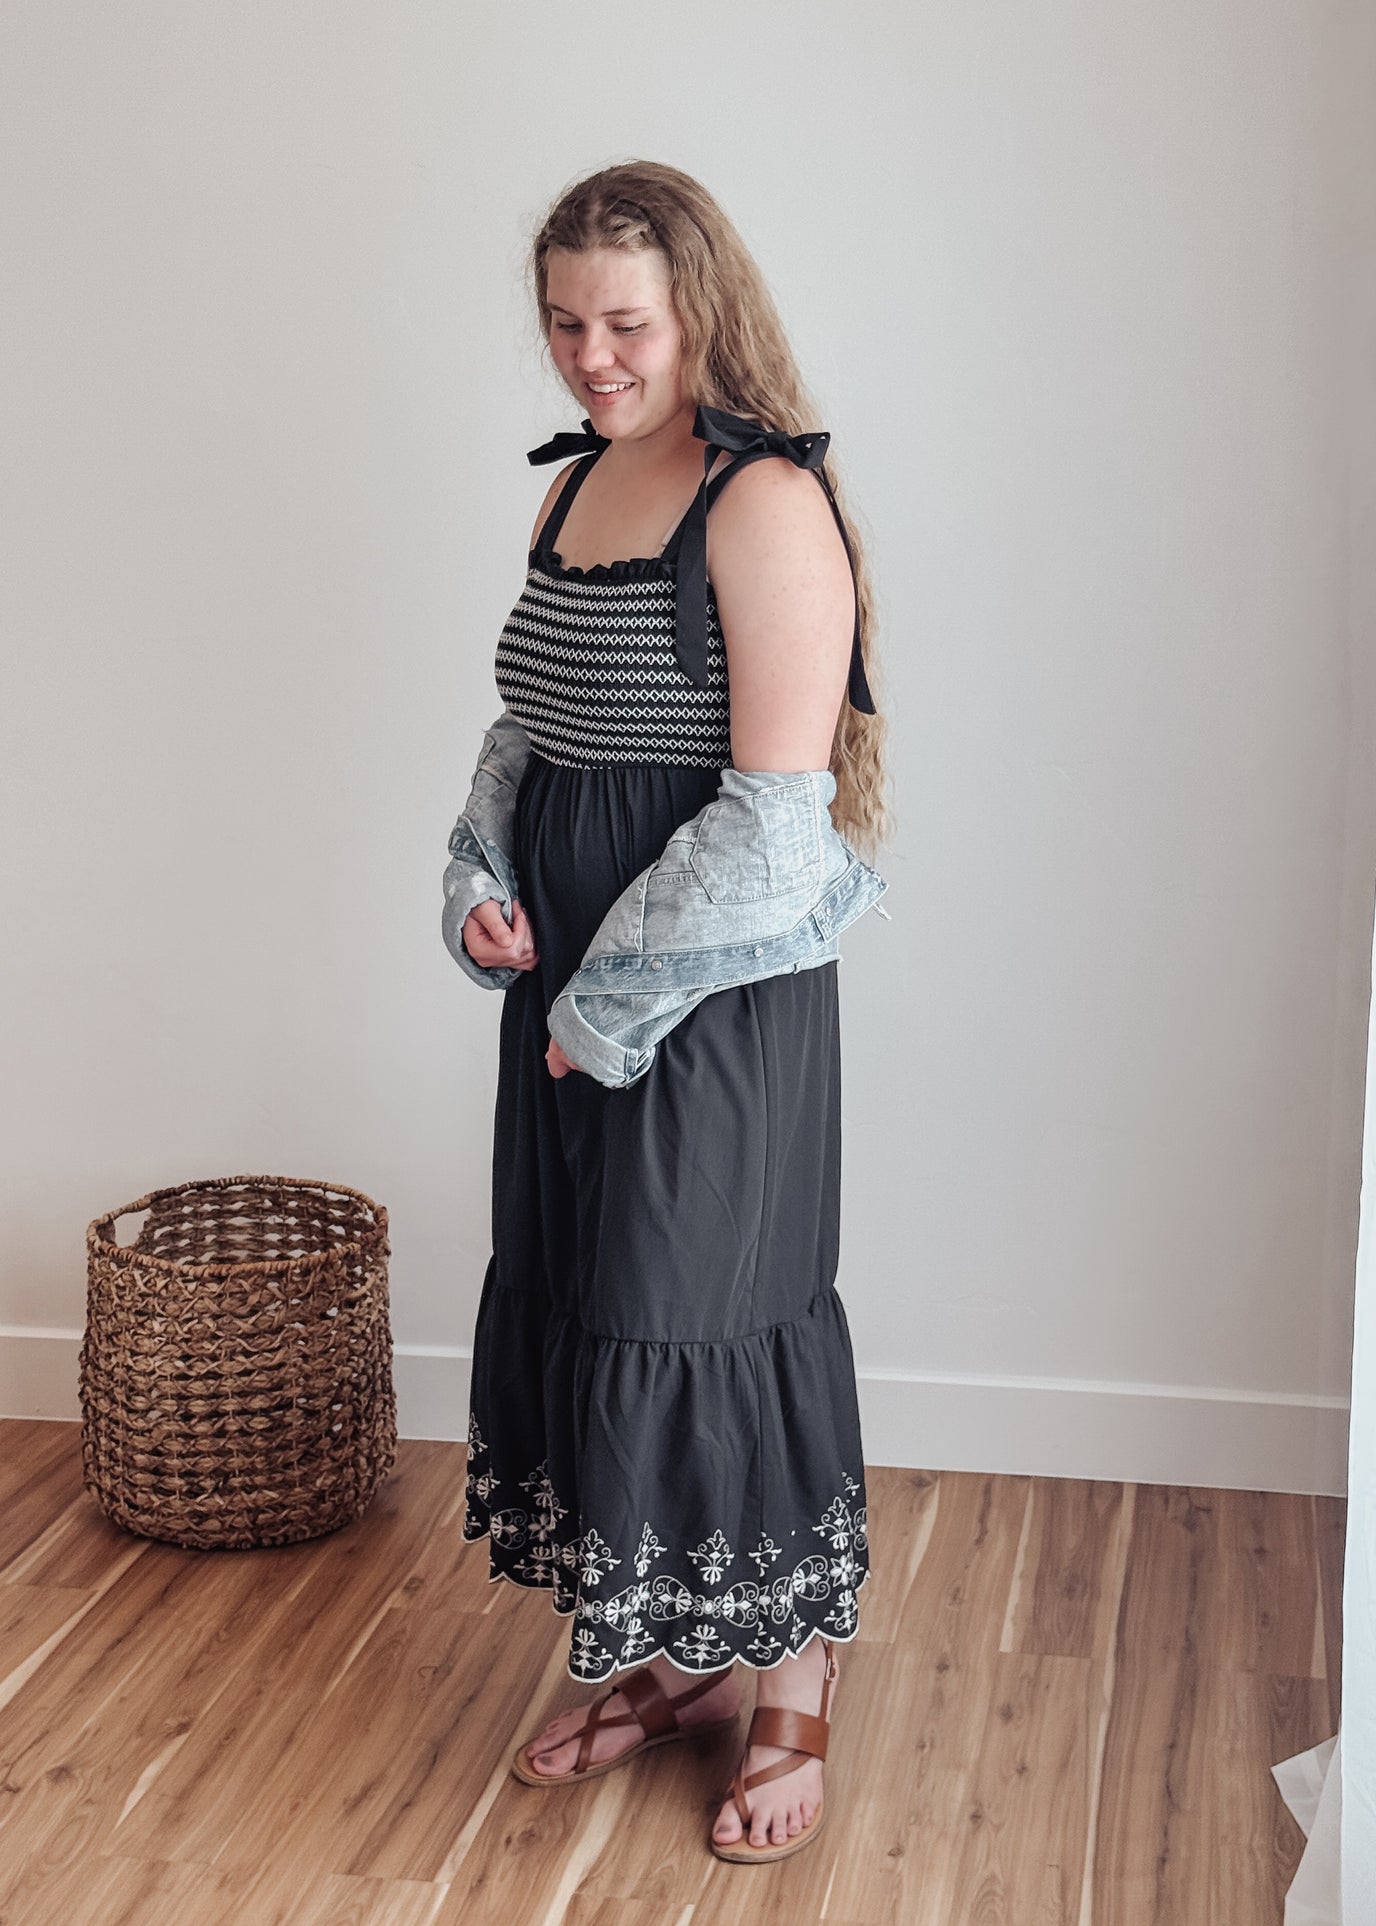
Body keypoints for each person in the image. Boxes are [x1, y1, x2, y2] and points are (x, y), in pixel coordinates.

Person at [446, 160, 893, 1864]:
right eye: (565, 322)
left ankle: (792, 1675)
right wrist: (475, 875)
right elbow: (526, 727)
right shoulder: (574, 487)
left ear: (698, 307)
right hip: (567, 981)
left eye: (624, 323)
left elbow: (772, 820)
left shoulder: (763, 502)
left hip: (699, 989)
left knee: (704, 1306)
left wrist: (609, 1000)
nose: (591, 357)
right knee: (596, 1288)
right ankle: (683, 1658)